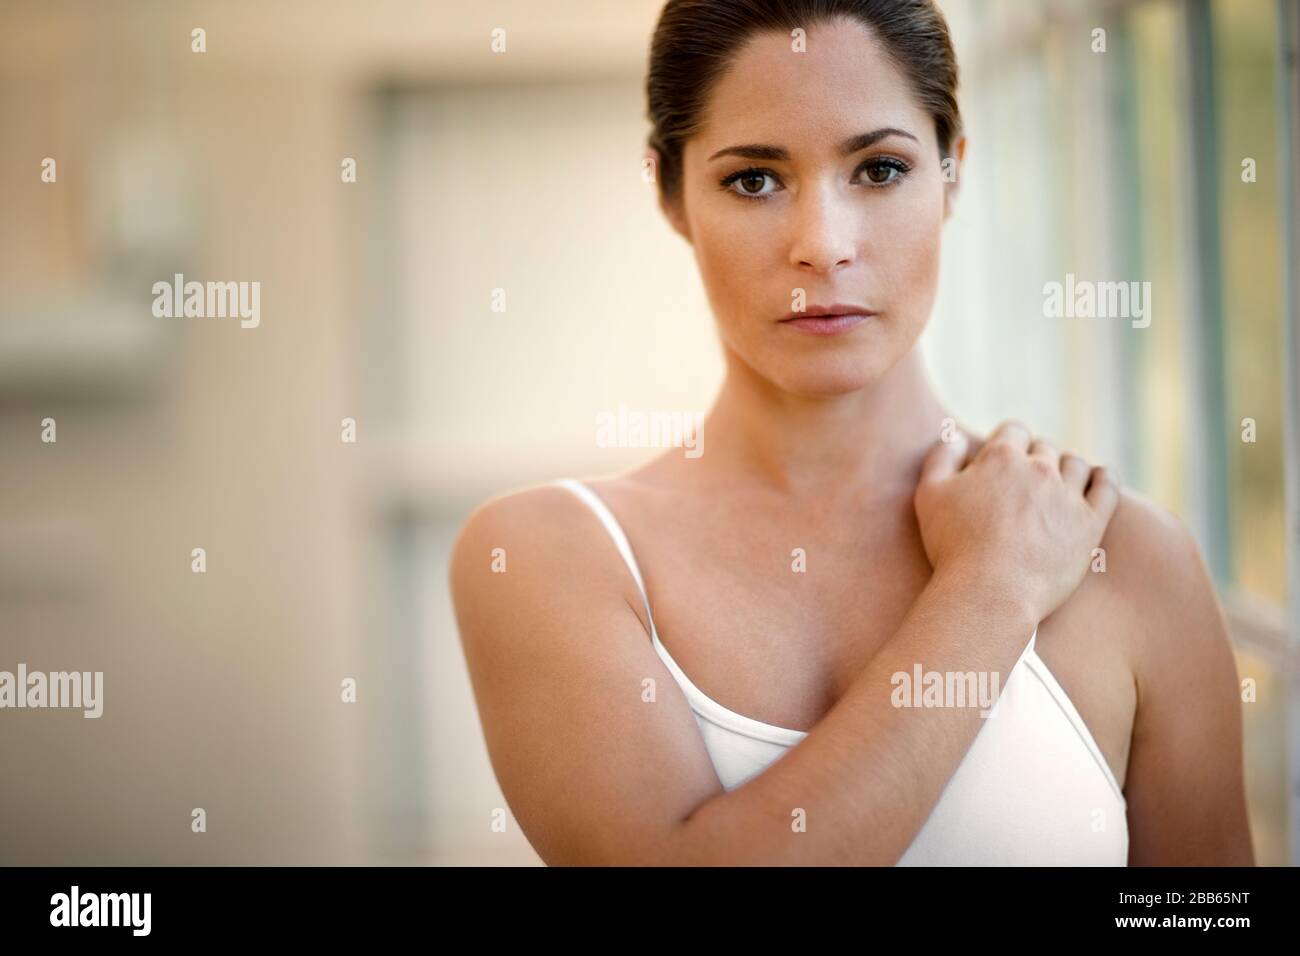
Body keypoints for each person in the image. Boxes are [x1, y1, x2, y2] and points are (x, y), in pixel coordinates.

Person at [449, 0, 1254, 865]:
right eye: (754, 179)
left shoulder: (1128, 557)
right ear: (670, 194)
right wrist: (989, 590)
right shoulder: (546, 555)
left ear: (953, 174)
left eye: (878, 169)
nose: (823, 247)